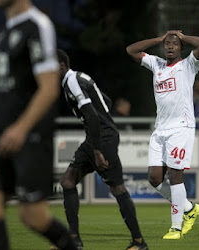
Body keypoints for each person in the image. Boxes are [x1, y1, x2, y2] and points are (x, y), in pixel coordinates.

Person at [0, 1, 76, 249]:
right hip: (1, 130)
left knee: (32, 216)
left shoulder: (38, 25)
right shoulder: (5, 30)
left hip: (30, 135)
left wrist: (21, 128)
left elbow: (49, 87)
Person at [55, 49, 148, 250]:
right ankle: (74, 240)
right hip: (96, 137)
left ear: (61, 65)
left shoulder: (72, 81)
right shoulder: (78, 78)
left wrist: (97, 149)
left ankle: (139, 242)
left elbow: (92, 115)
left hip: (102, 139)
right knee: (68, 181)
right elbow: (105, 101)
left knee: (117, 188)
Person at [126, 30, 199, 239]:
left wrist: (182, 36)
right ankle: (189, 209)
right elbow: (131, 50)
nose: (170, 47)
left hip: (181, 128)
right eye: (167, 44)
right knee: (154, 179)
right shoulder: (157, 64)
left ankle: (176, 228)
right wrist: (158, 39)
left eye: (174, 44)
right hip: (160, 130)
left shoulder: (189, 65)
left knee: (175, 176)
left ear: (181, 48)